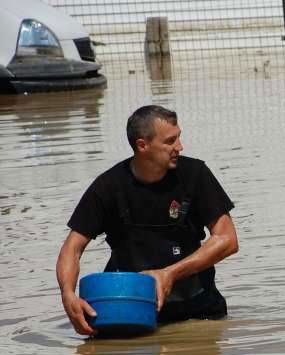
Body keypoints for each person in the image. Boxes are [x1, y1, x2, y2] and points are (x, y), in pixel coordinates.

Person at [56, 105, 239, 335]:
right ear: (142, 145)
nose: (179, 147)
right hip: (129, 315)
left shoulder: (195, 174)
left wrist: (169, 274)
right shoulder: (109, 186)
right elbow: (72, 248)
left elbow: (228, 239)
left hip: (198, 315)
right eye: (170, 141)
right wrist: (68, 294)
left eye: (178, 138)